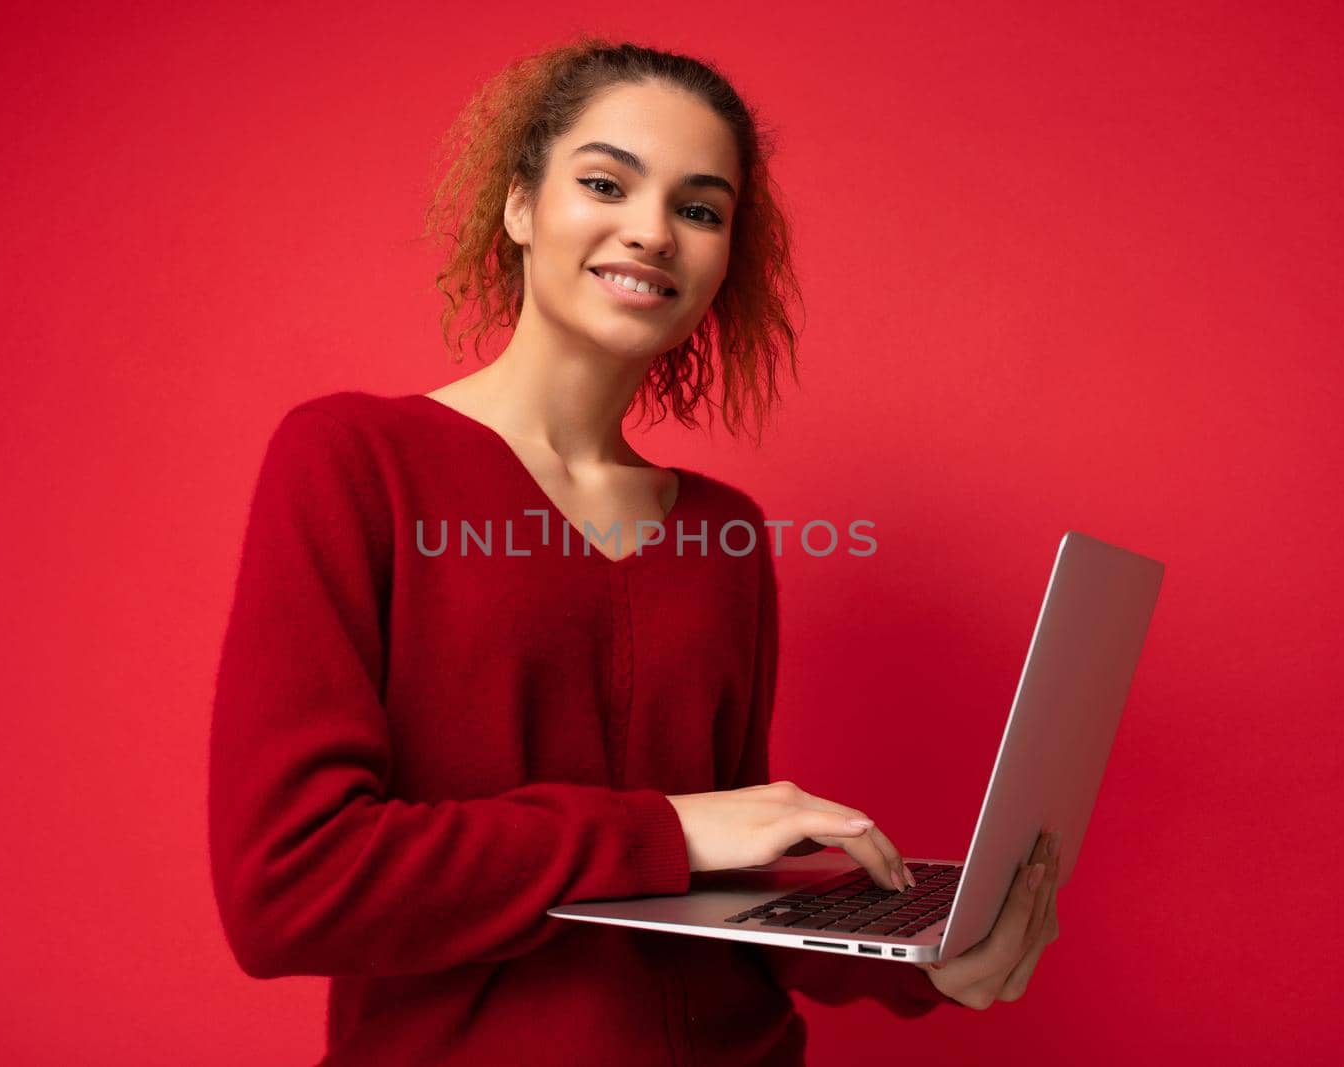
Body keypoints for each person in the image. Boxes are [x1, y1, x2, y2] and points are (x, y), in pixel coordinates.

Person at [208, 36, 1060, 1066]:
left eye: (700, 209)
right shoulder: (353, 459)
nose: (652, 231)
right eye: (606, 182)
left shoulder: (724, 532)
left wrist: (918, 954)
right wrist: (664, 826)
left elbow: (709, 881)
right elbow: (292, 884)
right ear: (520, 206)